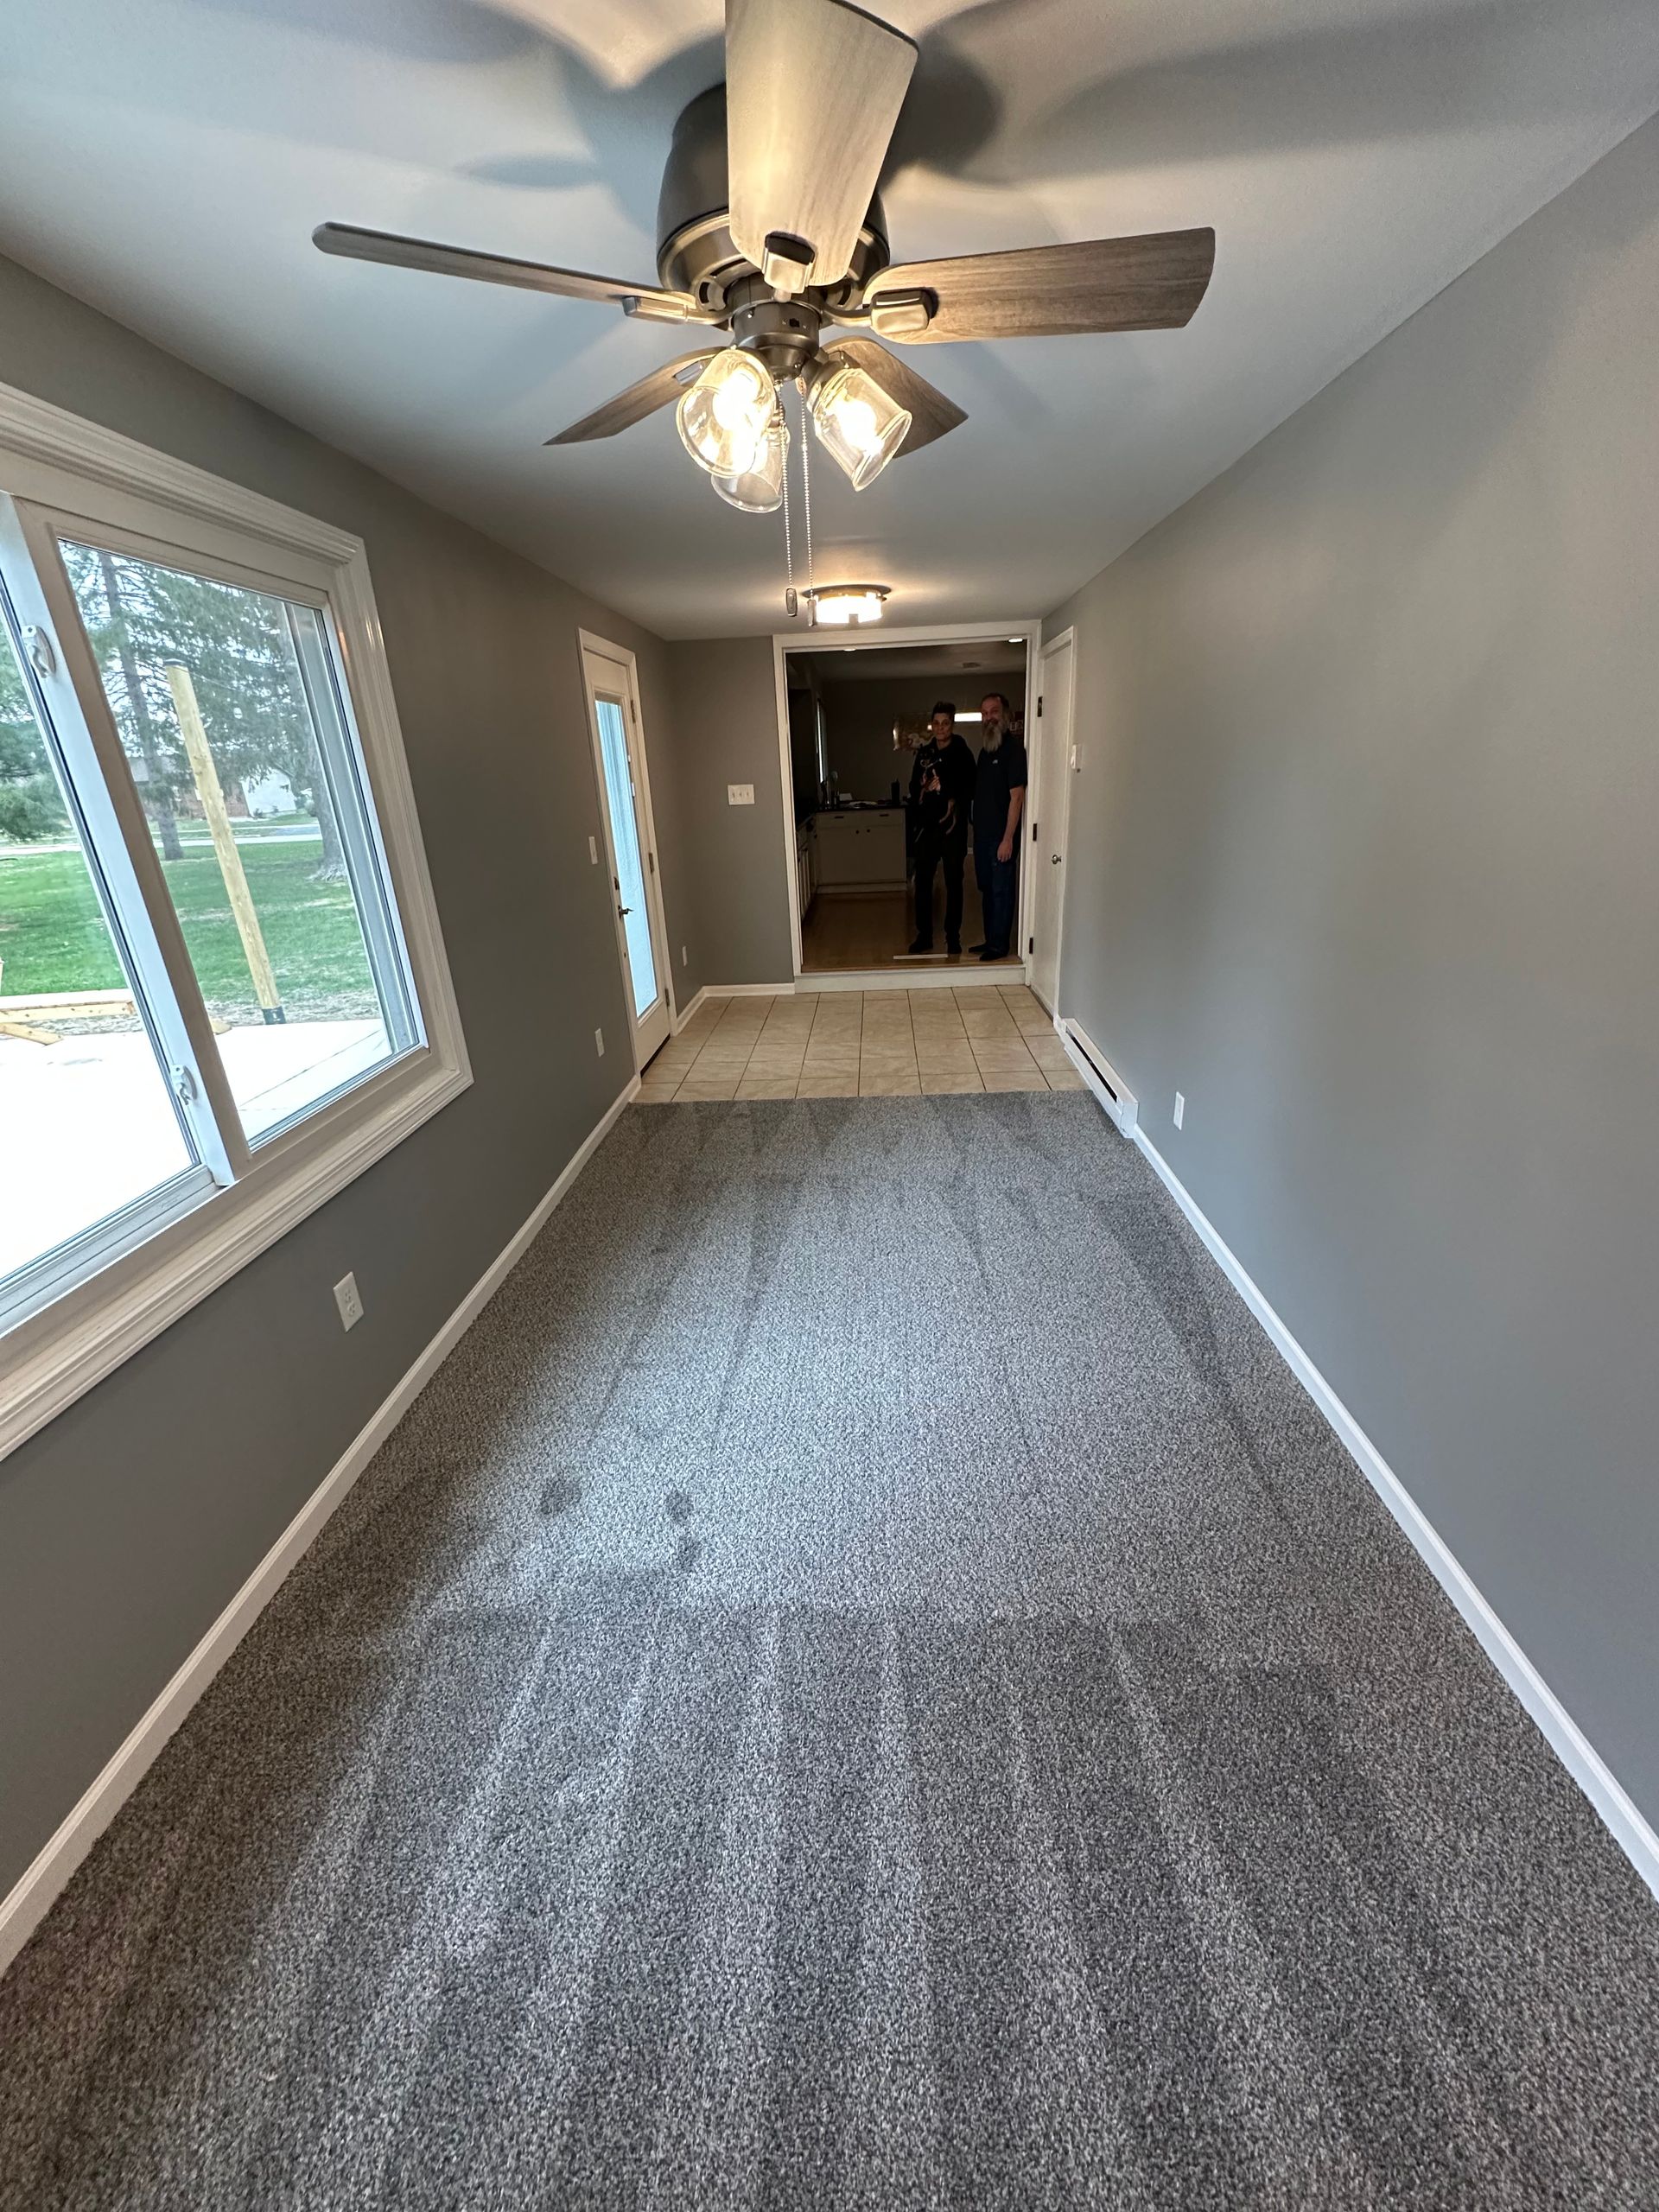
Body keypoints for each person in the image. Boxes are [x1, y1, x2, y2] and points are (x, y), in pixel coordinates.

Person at [908, 701, 976, 954]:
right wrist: (925, 787)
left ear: (952, 724)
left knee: (953, 883)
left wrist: (944, 789)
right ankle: (924, 936)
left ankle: (953, 937)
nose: (940, 728)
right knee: (923, 882)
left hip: (952, 830)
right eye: (936, 723)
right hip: (928, 829)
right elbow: (914, 788)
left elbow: (970, 787)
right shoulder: (924, 754)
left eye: (945, 723)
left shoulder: (962, 753)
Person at [970, 691, 1027, 961]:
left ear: (1004, 715)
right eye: (984, 713)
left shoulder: (1013, 751)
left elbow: (1017, 797)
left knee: (1002, 891)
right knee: (986, 890)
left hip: (999, 838)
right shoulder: (985, 752)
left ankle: (999, 945)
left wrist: (1008, 839)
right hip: (981, 837)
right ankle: (989, 939)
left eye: (993, 712)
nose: (988, 718)